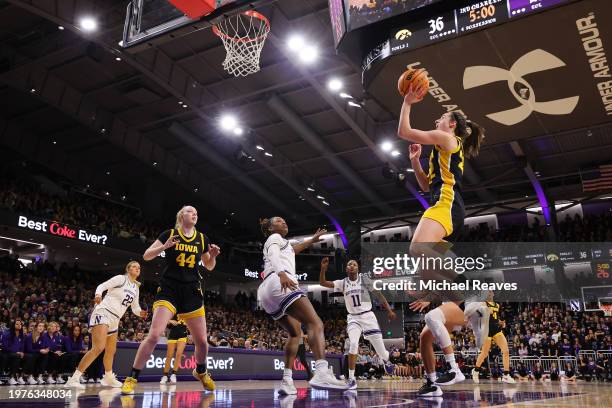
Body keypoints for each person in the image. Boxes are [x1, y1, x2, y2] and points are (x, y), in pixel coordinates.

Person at [398, 74, 486, 397]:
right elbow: (424, 186)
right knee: (423, 257)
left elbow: (403, 131)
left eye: (442, 117)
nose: (438, 118)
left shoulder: (448, 139)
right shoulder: (441, 150)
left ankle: (465, 298)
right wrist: (416, 162)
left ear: (451, 125)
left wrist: (407, 103)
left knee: (418, 250)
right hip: (444, 204)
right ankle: (437, 380)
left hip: (448, 206)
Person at [121, 206, 220, 395]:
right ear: (181, 216)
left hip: (192, 290)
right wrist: (164, 247)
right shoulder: (170, 234)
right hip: (169, 289)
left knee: (202, 342)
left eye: (197, 212)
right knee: (154, 335)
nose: (195, 213)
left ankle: (201, 371)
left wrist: (213, 256)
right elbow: (147, 255)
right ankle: (132, 377)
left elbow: (209, 266)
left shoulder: (202, 239)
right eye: (190, 211)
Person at [257, 217, 349, 395]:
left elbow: (293, 249)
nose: (284, 222)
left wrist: (311, 241)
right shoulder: (273, 238)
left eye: (285, 220)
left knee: (295, 333)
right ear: (269, 228)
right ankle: (321, 371)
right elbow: (274, 255)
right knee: (316, 323)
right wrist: (282, 273)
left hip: (266, 293)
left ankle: (287, 380)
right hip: (280, 281)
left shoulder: (284, 243)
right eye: (278, 221)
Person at [65, 261, 147, 389]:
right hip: (104, 312)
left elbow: (135, 307)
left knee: (111, 350)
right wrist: (98, 294)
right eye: (134, 267)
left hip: (115, 319)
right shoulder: (121, 279)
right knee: (98, 347)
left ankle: (108, 377)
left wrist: (140, 313)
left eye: (139, 268)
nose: (137, 269)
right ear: (128, 269)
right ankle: (74, 378)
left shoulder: (135, 288)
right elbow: (102, 286)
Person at [319, 257, 396, 390]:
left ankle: (386, 361)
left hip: (368, 316)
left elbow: (379, 294)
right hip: (353, 318)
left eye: (354, 264)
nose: (352, 266)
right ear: (346, 269)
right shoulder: (343, 283)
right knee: (353, 344)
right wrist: (323, 270)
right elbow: (323, 283)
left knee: (382, 352)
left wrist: (389, 310)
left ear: (358, 268)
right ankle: (351, 378)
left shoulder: (364, 280)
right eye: (349, 264)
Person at [471, 292, 515, 384]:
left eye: (491, 292)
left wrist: (500, 322)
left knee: (506, 351)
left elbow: (494, 318)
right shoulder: (483, 303)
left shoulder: (497, 305)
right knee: (484, 353)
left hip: (496, 330)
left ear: (493, 294)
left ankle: (506, 375)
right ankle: (476, 370)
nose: (489, 294)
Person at [160, 316, 188, 384]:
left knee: (179, 354)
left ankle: (173, 374)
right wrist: (169, 320)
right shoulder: (173, 311)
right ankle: (165, 375)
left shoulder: (188, 311)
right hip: (172, 335)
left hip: (183, 335)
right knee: (169, 355)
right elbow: (163, 319)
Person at [3, 319, 25, 385]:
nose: (19, 325)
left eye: (20, 324)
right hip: (7, 352)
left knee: (29, 356)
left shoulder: (22, 335)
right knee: (16, 356)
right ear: (13, 325)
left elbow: (22, 346)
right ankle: (11, 377)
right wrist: (16, 352)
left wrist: (21, 352)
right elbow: (5, 346)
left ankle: (21, 377)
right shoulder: (7, 334)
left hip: (17, 353)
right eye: (17, 324)